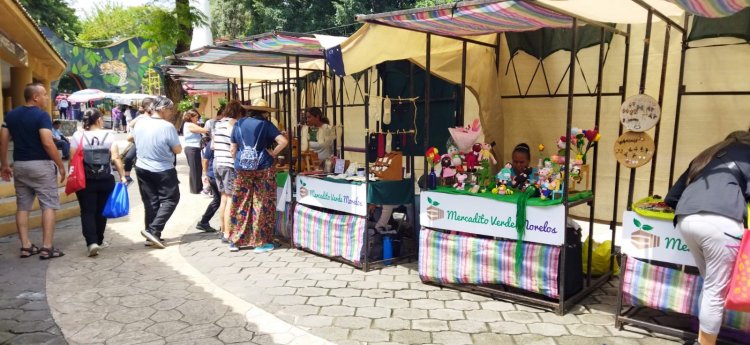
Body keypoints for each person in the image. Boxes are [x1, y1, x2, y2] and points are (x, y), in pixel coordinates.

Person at [665, 130, 750, 345]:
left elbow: (671, 197)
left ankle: (702, 339)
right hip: (722, 223)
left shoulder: (707, 154)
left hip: (687, 220)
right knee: (715, 290)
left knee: (711, 285)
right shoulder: (747, 154)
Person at [0, 83, 67, 259]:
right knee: (48, 205)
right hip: (41, 166)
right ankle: (47, 247)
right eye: (44, 94)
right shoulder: (41, 116)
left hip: (20, 165)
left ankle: (26, 246)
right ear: (35, 97)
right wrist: (60, 164)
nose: (47, 97)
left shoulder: (11, 115)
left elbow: (3, 140)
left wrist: (5, 164)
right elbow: (47, 142)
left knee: (22, 206)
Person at [228, 99, 288, 252]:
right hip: (263, 168)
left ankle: (235, 240)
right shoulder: (266, 125)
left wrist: (239, 162)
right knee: (262, 203)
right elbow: (283, 141)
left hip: (242, 167)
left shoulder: (239, 124)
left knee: (240, 202)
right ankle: (259, 242)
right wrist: (273, 153)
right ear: (265, 112)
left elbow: (233, 149)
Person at [71, 109, 127, 256]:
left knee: (87, 211)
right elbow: (115, 157)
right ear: (98, 120)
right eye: (101, 118)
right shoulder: (109, 135)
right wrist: (122, 176)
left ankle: (91, 242)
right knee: (101, 211)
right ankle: (100, 240)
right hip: (105, 178)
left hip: (85, 180)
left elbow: (72, 158)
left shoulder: (78, 135)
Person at [132, 96, 182, 248]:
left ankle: (151, 235)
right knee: (171, 199)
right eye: (169, 109)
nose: (171, 113)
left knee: (151, 201)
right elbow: (177, 149)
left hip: (141, 166)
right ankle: (154, 230)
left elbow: (132, 139)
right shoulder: (167, 127)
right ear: (162, 109)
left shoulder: (140, 123)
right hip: (162, 169)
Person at [213, 100, 243, 243]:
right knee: (231, 198)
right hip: (228, 164)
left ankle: (222, 229)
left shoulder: (218, 123)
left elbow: (212, 145)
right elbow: (234, 145)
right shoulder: (232, 123)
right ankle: (227, 233)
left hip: (217, 162)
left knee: (224, 197)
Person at [123, 98, 155, 185]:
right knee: (128, 158)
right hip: (137, 142)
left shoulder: (155, 117)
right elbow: (131, 125)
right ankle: (127, 175)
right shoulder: (140, 116)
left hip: (150, 144)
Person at [182, 109, 209, 194]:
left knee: (198, 169)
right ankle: (195, 189)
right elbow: (204, 130)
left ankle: (198, 187)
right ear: (191, 117)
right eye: (196, 117)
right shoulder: (189, 125)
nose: (197, 118)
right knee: (194, 169)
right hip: (191, 148)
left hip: (195, 148)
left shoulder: (192, 124)